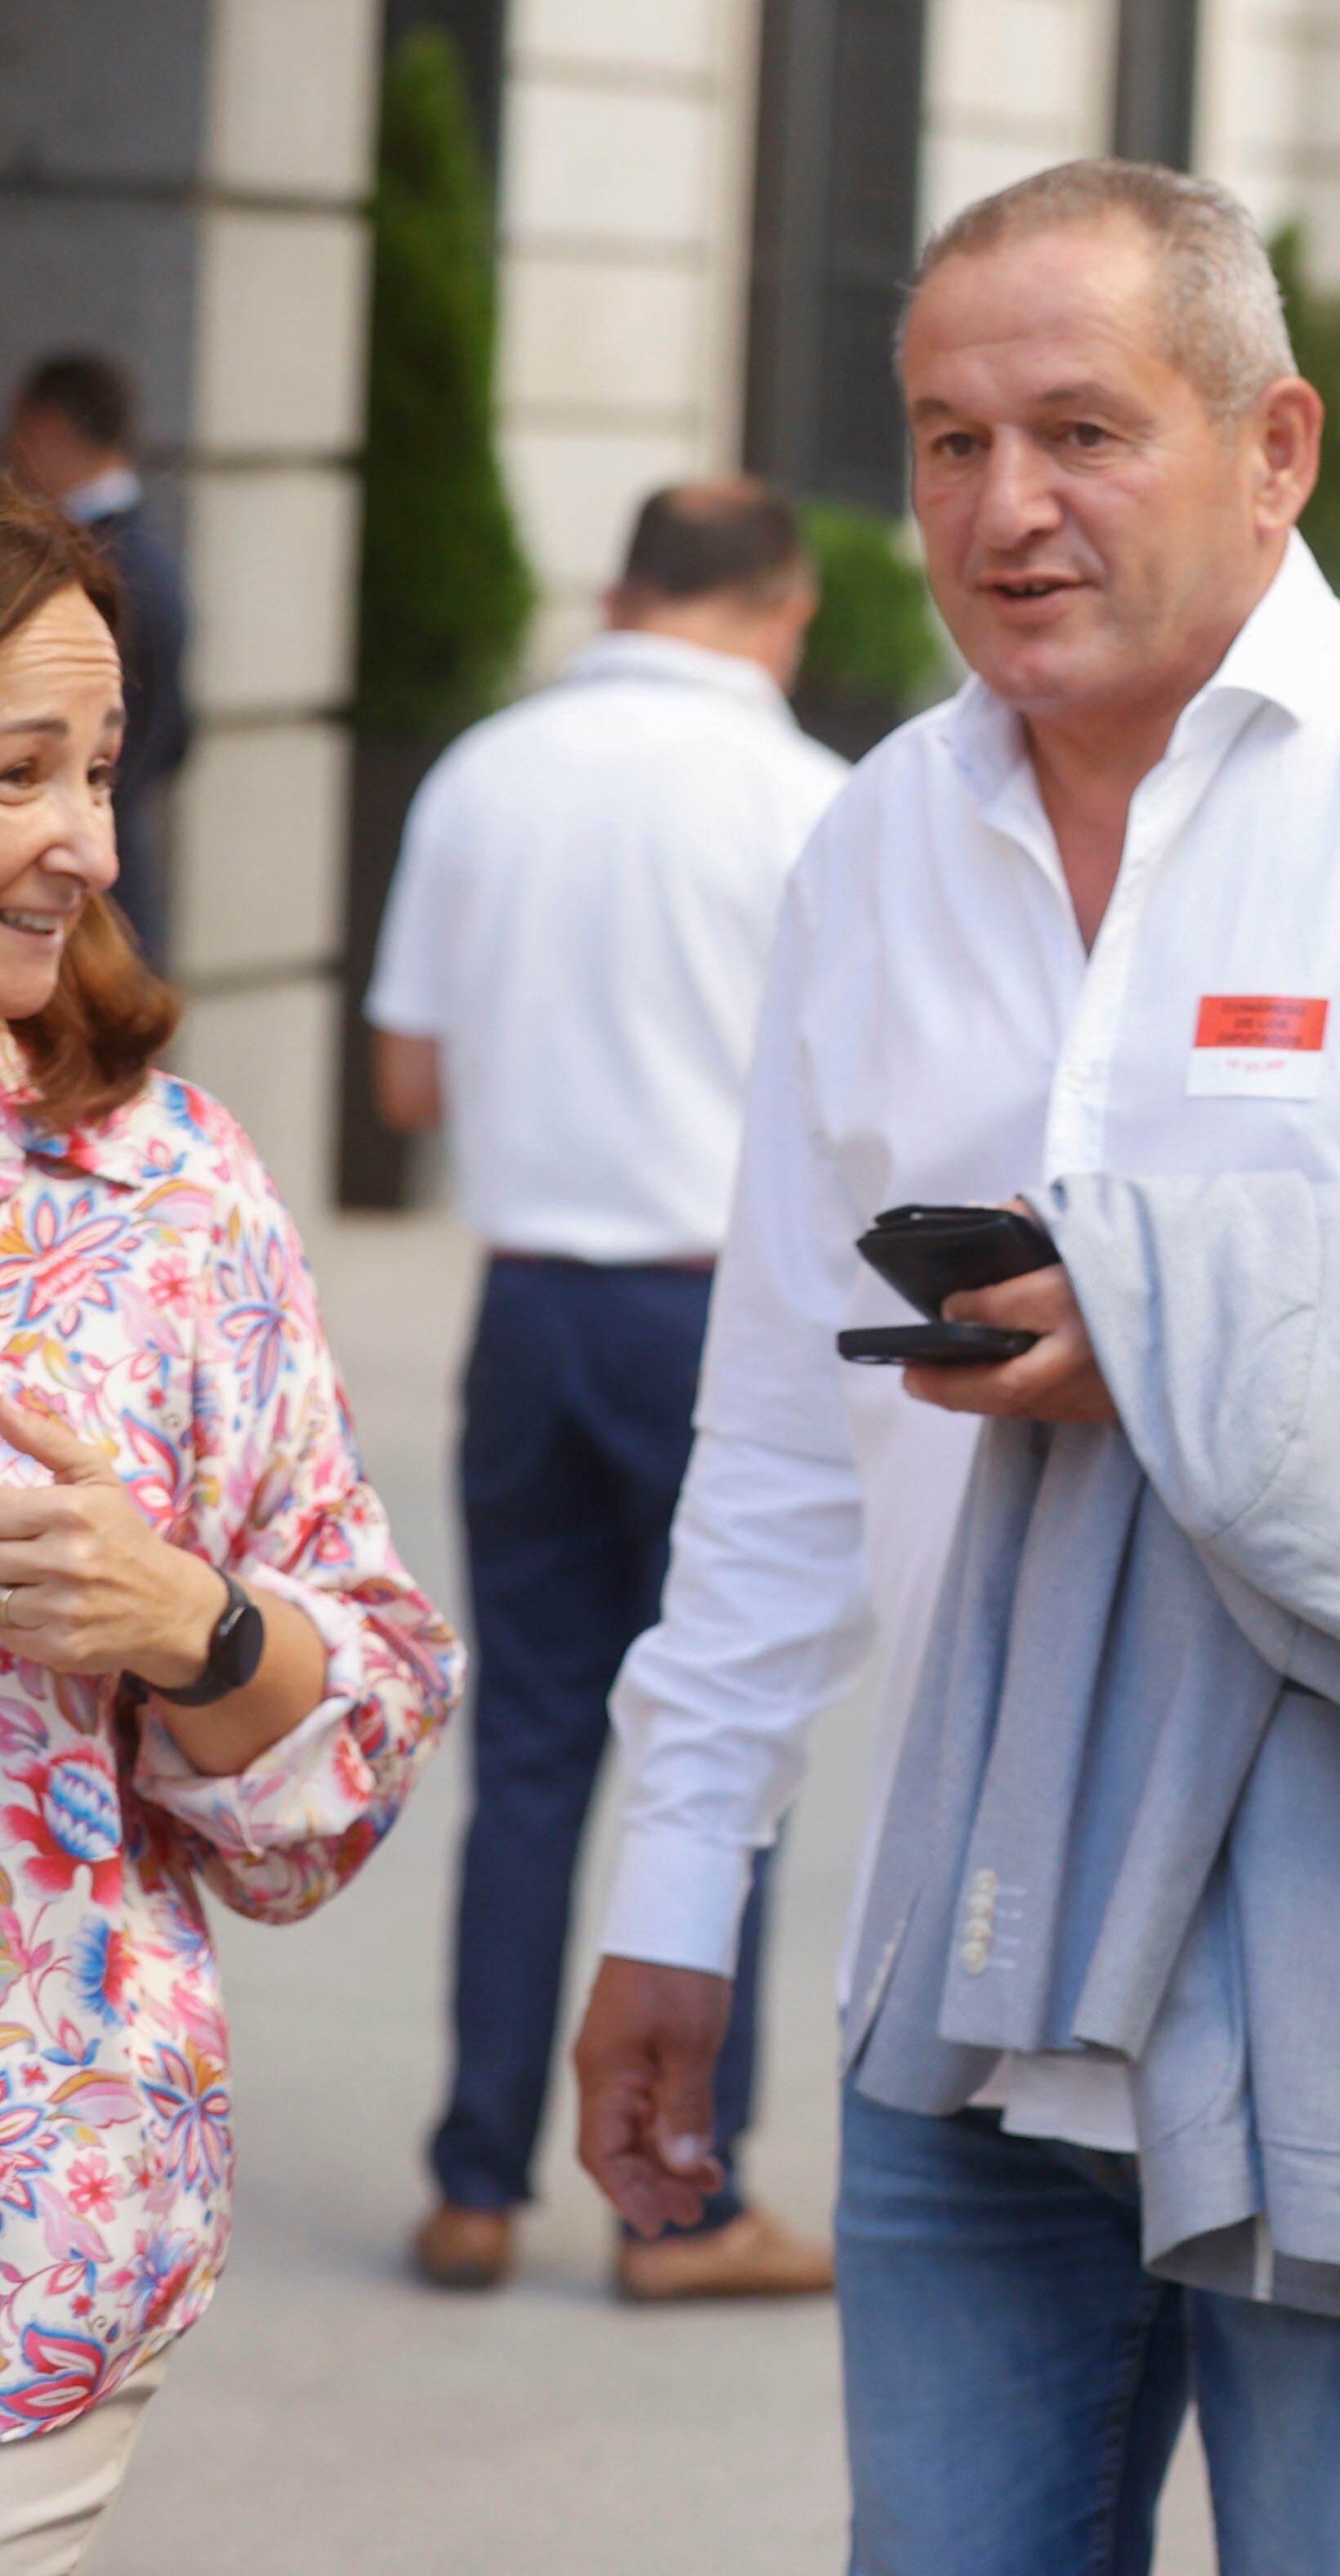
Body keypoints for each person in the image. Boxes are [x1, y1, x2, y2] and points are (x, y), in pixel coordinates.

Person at [563, 162, 1340, 2574]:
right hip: (970, 1960)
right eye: (949, 441)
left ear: (1278, 447)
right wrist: (676, 1880)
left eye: (1081, 428)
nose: (1003, 505)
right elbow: (772, 1428)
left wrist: (1198, 1331)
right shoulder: (868, 849)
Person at [0, 482, 460, 2564]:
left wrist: (182, 1619)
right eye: (20, 772)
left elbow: (359, 1726)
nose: (90, 838)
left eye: (96, 768)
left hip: (38, 2241)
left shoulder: (170, 1189)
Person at [368, 481, 846, 2303]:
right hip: (716, 1321)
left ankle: (477, 2178)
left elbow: (408, 1083)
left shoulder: (485, 770)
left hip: (527, 1303)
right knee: (724, 1745)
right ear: (783, 609)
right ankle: (682, 2204)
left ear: (617, 588)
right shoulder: (809, 801)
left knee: (534, 1748)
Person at [7, 358, 188, 972]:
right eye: (22, 774)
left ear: (49, 427)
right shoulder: (149, 559)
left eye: (97, 776)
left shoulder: (125, 569)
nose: (91, 852)